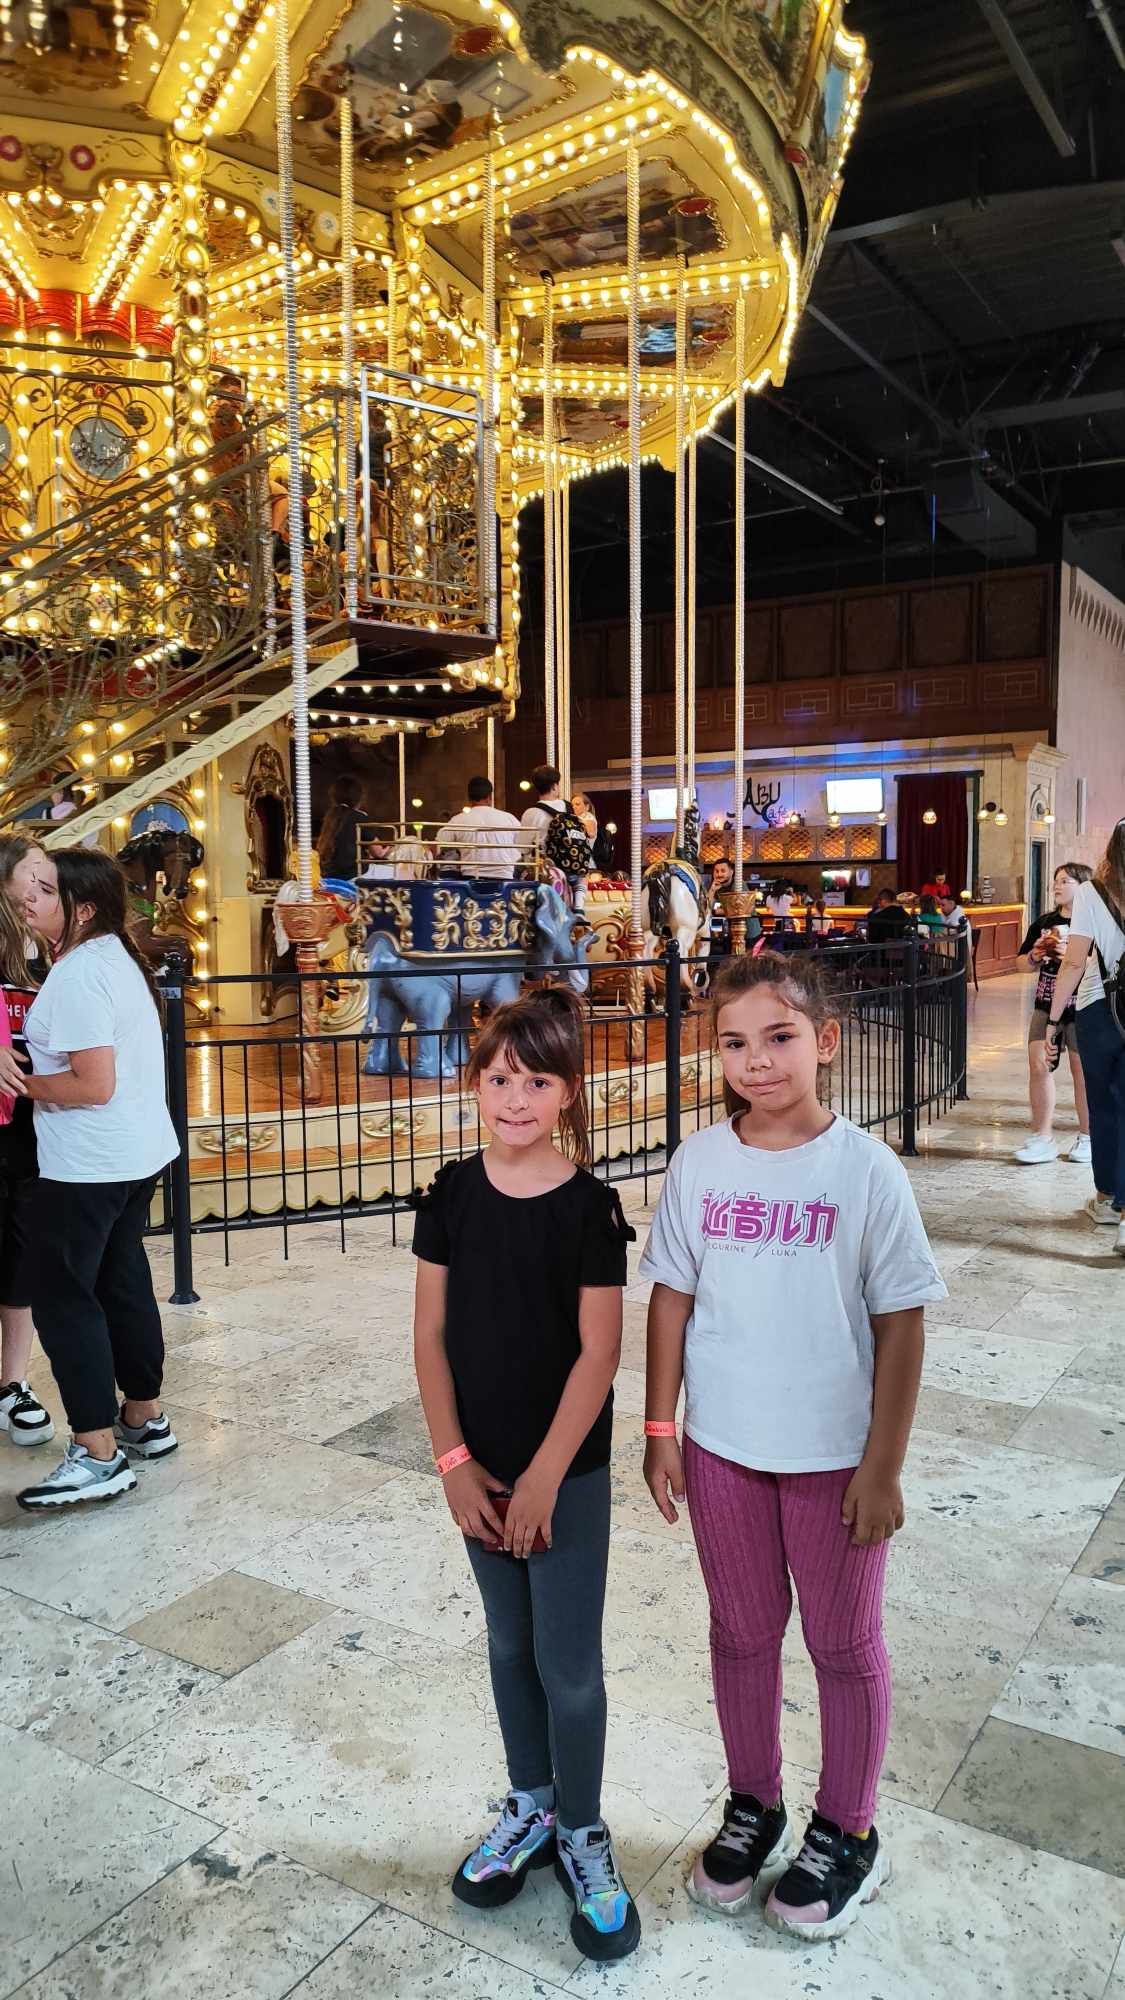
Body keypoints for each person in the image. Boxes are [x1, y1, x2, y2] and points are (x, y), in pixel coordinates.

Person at [639, 950, 945, 1941]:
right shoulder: (699, 1162)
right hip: (723, 1449)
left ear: (827, 1041)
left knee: (842, 1644)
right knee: (740, 1632)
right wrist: (659, 1426)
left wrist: (882, 1466)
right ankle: (754, 1801)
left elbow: (901, 1322)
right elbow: (671, 1297)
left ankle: (848, 1826)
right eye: (734, 1042)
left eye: (779, 1036)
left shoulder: (864, 1169)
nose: (757, 1060)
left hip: (833, 1459)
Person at [412, 988, 640, 1962]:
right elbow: (429, 1337)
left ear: (569, 1094)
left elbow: (599, 1354)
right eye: (500, 1078)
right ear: (474, 1083)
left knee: (568, 1663)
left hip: (565, 1476)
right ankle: (533, 1804)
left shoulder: (589, 1209)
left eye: (537, 1082)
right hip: (480, 1470)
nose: (515, 1098)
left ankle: (583, 1828)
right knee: (508, 1643)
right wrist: (455, 1464)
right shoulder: (451, 1195)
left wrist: (545, 1477)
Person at [0, 849, 180, 1511]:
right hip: (136, 1154)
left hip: (88, 1165)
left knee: (62, 1295)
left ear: (82, 908)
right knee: (120, 1279)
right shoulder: (113, 957)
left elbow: (92, 1085)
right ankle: (143, 1417)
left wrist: (19, 1084)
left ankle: (96, 1452)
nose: (29, 898)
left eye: (45, 890)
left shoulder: (79, 975)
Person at [1042, 821, 1125, 1251]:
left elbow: (1074, 963)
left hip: (1101, 1009)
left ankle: (1109, 1199)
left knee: (1105, 1104)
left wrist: (1053, 1020)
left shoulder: (1093, 892)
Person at [0, 840, 53, 1450]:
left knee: (22, 1251)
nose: (43, 881)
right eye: (31, 871)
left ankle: (13, 1383)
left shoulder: (49, 948)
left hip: (33, 1120)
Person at [1014, 863, 1092, 1166]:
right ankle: (1042, 1137)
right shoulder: (1045, 923)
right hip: (1045, 1003)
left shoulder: (1093, 921)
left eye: (1065, 881)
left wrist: (1073, 957)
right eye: (1055, 881)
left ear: (1083, 886)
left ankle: (1088, 1136)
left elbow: (1104, 963)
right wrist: (1035, 954)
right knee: (1039, 1066)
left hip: (1083, 1003)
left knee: (1081, 1070)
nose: (1057, 886)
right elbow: (1021, 964)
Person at [435, 776, 522, 882]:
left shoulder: (458, 820)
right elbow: (523, 845)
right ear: (490, 796)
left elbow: (438, 844)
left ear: (469, 797)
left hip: (471, 877)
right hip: (505, 878)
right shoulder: (509, 818)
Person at [315, 775, 367, 883]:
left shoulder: (329, 817)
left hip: (327, 875)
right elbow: (378, 852)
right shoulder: (359, 817)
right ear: (358, 797)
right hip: (352, 875)